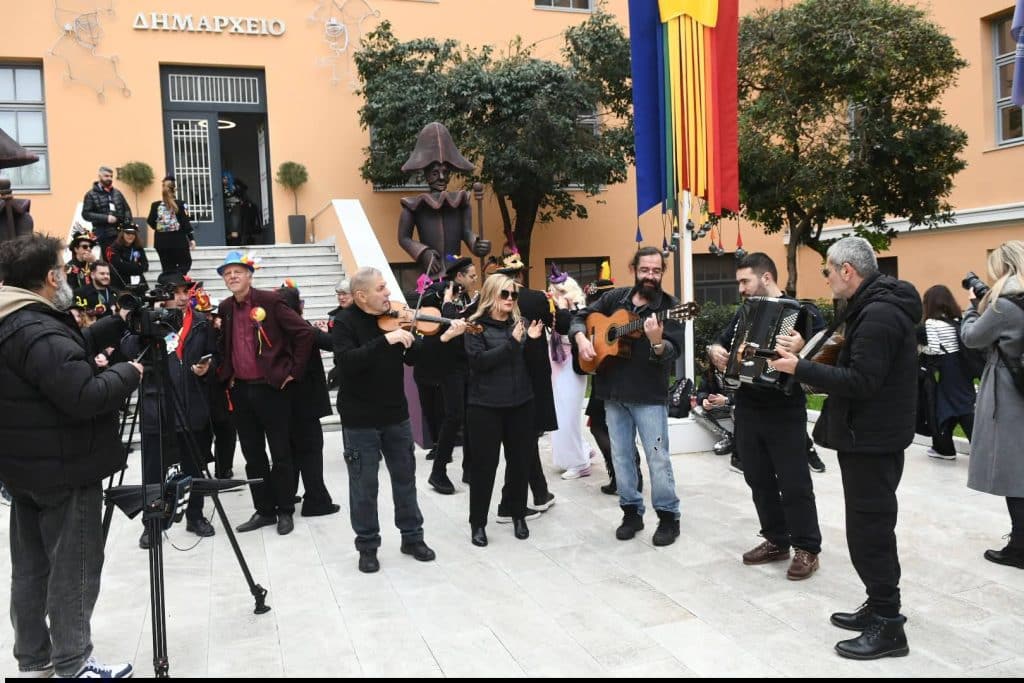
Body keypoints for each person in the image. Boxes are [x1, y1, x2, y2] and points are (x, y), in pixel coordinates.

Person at [772, 236, 921, 660]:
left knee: (870, 532)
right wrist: (808, 354)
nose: (827, 279)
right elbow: (857, 364)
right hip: (869, 437)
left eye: (827, 271)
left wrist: (799, 368)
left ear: (847, 271)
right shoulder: (872, 307)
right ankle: (878, 605)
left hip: (872, 440)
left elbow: (862, 382)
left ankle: (889, 626)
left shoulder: (877, 315)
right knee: (869, 528)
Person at [0, 233, 141, 678]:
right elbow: (82, 394)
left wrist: (115, 322)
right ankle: (73, 662)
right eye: (62, 269)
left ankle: (35, 657)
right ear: (48, 277)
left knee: (30, 569)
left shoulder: (14, 319)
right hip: (64, 466)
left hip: (25, 467)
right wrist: (127, 372)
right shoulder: (37, 328)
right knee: (74, 568)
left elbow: (55, 363)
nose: (66, 277)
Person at [707, 252, 825, 581]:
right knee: (757, 477)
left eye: (745, 281)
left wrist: (803, 344)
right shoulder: (744, 313)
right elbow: (718, 342)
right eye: (739, 282)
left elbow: (824, 343)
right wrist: (714, 351)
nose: (741, 288)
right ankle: (776, 539)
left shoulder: (801, 312)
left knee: (794, 480)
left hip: (784, 408)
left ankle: (807, 547)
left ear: (767, 278)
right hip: (748, 405)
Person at [332, 266, 447, 572]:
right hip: (360, 420)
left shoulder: (398, 319)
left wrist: (423, 337)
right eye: (382, 288)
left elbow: (413, 358)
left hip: (396, 415)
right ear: (361, 295)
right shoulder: (343, 323)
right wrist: (387, 340)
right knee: (364, 486)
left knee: (405, 480)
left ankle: (412, 537)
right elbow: (346, 363)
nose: (388, 294)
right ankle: (367, 546)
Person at [571, 246, 685, 546]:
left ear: (662, 272)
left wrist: (658, 342)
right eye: (645, 270)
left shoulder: (671, 307)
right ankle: (631, 512)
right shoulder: (614, 298)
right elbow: (580, 317)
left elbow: (673, 352)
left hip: (648, 396)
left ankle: (668, 516)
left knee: (658, 459)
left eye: (656, 271)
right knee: (621, 458)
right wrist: (582, 338)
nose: (650, 276)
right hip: (612, 393)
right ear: (634, 269)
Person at [216, 251, 315, 536]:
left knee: (281, 452)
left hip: (272, 389)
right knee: (252, 455)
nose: (232, 277)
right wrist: (227, 373)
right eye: (227, 274)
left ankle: (285, 509)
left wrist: (292, 372)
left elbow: (304, 333)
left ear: (249, 275)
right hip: (241, 391)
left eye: (237, 272)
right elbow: (226, 345)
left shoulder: (270, 302)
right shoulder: (225, 308)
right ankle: (264, 510)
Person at [124, 273, 216, 548]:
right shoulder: (148, 322)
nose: (180, 296)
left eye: (184, 291)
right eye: (174, 291)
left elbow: (215, 354)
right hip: (157, 407)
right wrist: (145, 324)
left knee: (194, 467)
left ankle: (195, 515)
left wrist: (207, 366)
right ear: (162, 295)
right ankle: (152, 523)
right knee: (154, 470)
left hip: (192, 405)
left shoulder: (201, 322)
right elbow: (127, 348)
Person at [465, 274, 545, 546]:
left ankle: (518, 514)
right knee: (484, 468)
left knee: (520, 463)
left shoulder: (519, 324)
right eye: (505, 294)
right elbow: (479, 362)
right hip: (485, 406)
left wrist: (532, 341)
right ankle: (478, 523)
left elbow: (529, 364)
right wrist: (513, 343)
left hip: (521, 402)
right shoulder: (475, 326)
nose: (510, 299)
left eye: (513, 295)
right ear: (491, 296)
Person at [960, 240, 1024, 569]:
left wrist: (972, 308)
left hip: (1011, 392)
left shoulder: (1005, 306)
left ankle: (1020, 545)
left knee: (1015, 469)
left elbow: (972, 338)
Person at [494, 250, 557, 519]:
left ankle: (540, 492)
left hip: (506, 374)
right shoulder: (537, 298)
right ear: (520, 274)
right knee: (522, 442)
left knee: (526, 440)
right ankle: (508, 504)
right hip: (531, 374)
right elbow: (556, 324)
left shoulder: (488, 302)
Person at [277, 282, 340, 517]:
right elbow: (335, 344)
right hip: (307, 403)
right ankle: (316, 500)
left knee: (289, 452)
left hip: (283, 403)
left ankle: (286, 495)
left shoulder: (272, 329)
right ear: (299, 305)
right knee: (311, 452)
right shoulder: (306, 330)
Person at [578, 269, 643, 496]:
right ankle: (627, 475)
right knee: (609, 428)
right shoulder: (611, 313)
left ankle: (623, 475)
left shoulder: (622, 316)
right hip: (606, 377)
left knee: (601, 427)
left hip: (614, 379)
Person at [418, 256, 479, 493]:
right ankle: (438, 471)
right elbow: (447, 324)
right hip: (446, 364)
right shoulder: (436, 294)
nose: (475, 280)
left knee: (470, 415)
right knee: (453, 416)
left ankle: (469, 468)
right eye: (472, 275)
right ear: (459, 276)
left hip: (465, 362)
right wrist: (447, 302)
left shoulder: (464, 295)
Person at [396, 122, 490, 275]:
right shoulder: (413, 207)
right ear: (426, 174)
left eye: (445, 172)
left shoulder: (461, 203)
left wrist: (476, 244)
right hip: (432, 273)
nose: (441, 178)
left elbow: (466, 232)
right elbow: (404, 238)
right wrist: (424, 253)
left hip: (456, 270)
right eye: (434, 173)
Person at [916, 284, 976, 460]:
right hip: (961, 368)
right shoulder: (957, 319)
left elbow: (934, 349)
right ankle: (946, 447)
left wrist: (921, 350)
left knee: (950, 408)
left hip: (945, 370)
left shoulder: (931, 323)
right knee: (957, 406)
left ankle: (949, 448)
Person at [548, 266, 592, 480]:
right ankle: (582, 448)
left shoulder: (578, 310)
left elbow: (569, 333)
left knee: (567, 415)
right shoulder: (555, 308)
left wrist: (563, 309)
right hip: (556, 365)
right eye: (555, 290)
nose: (558, 295)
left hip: (572, 366)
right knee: (560, 413)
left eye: (562, 290)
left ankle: (579, 463)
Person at [147, 175, 196, 277]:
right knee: (185, 263)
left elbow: (150, 221)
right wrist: (191, 239)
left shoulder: (155, 205)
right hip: (178, 240)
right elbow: (185, 222)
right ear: (175, 189)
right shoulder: (180, 204)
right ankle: (177, 281)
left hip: (161, 241)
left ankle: (170, 286)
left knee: (167, 268)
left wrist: (161, 229)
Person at [81, 165, 132, 253]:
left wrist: (128, 224)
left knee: (124, 258)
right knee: (110, 260)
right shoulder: (91, 195)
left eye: (111, 176)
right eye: (106, 176)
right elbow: (86, 214)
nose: (109, 178)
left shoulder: (117, 193)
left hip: (120, 232)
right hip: (103, 233)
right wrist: (106, 218)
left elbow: (127, 209)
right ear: (100, 176)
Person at [105, 224, 149, 292]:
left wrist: (126, 265)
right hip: (121, 283)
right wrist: (136, 266)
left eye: (133, 234)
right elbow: (118, 266)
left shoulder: (138, 248)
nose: (131, 236)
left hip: (138, 282)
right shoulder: (114, 248)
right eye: (128, 233)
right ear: (122, 234)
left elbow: (145, 266)